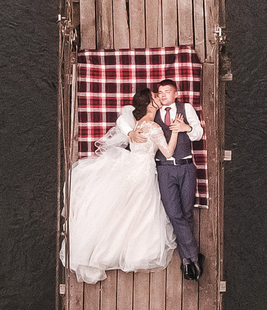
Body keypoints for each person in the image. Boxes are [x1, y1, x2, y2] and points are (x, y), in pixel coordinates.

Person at [65, 86, 180, 283]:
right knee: (139, 209)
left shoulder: (136, 123)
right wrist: (176, 131)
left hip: (131, 163)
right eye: (155, 96)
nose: (159, 97)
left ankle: (102, 250)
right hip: (143, 169)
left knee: (123, 206)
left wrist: (130, 133)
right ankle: (127, 250)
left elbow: (123, 118)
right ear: (149, 103)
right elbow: (168, 153)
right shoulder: (154, 127)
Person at [151, 79, 206, 282]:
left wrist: (186, 128)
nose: (163, 95)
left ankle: (186, 261)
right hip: (164, 169)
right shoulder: (153, 113)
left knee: (186, 213)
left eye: (167, 91)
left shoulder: (186, 108)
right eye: (160, 92)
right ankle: (193, 256)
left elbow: (199, 135)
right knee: (174, 214)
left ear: (176, 94)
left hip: (186, 167)